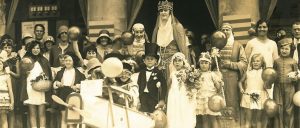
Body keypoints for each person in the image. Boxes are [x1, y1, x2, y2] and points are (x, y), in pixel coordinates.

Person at [216, 29, 247, 124]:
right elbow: (211, 64)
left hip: (233, 78)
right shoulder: (216, 45)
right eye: (223, 29)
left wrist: (230, 64)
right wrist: (213, 55)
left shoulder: (238, 45)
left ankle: (234, 124)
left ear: (232, 32)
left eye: (227, 29)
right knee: (219, 101)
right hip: (219, 77)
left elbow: (244, 63)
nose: (225, 31)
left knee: (232, 100)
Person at [152, 0, 190, 79]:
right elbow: (154, 47)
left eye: (165, 10)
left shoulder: (177, 27)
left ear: (170, 12)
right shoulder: (157, 28)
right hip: (160, 64)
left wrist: (185, 64)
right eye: (161, 11)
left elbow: (183, 48)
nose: (163, 13)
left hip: (174, 63)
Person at [20, 40, 52, 128]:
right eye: (33, 48)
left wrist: (45, 79)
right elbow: (22, 74)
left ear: (40, 49)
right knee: (32, 111)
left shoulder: (44, 60)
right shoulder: (26, 59)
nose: (36, 50)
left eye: (37, 48)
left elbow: (49, 74)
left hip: (41, 88)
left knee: (42, 112)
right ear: (30, 49)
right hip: (30, 88)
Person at [53, 52, 85, 128]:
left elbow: (84, 84)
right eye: (66, 60)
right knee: (64, 117)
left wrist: (78, 86)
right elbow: (55, 81)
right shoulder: (60, 72)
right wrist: (57, 83)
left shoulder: (79, 73)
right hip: (62, 95)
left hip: (73, 97)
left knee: (72, 119)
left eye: (69, 60)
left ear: (73, 61)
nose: (67, 62)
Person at [239, 53, 269, 128]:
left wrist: (267, 84)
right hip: (250, 94)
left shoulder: (264, 73)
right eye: (254, 61)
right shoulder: (248, 72)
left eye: (258, 61)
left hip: (260, 94)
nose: (255, 62)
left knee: (258, 119)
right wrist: (241, 88)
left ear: (262, 63)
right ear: (251, 63)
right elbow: (240, 82)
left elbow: (268, 85)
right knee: (248, 118)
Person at [273, 38, 297, 128]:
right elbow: (273, 73)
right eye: (282, 48)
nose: (284, 50)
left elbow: (296, 76)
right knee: (278, 108)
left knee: (288, 109)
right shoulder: (276, 61)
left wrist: (294, 77)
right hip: (277, 87)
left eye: (286, 49)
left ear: (290, 50)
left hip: (289, 87)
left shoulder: (293, 61)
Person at [167, 52, 196, 128]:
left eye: (179, 60)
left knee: (184, 110)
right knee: (174, 111)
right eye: (175, 61)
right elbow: (168, 84)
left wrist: (186, 78)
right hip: (174, 94)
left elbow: (190, 83)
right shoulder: (172, 73)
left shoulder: (186, 72)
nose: (177, 62)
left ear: (183, 62)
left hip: (183, 94)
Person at [195, 52, 223, 128]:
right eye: (202, 63)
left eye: (206, 63)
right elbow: (196, 86)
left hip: (210, 99)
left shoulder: (212, 74)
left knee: (213, 118)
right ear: (199, 64)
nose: (204, 65)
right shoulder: (197, 74)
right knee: (204, 119)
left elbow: (218, 88)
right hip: (201, 98)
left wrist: (219, 82)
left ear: (209, 64)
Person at [137, 43, 167, 113]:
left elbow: (164, 86)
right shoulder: (142, 72)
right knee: (143, 113)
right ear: (144, 60)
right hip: (143, 96)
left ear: (156, 61)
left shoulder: (158, 72)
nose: (149, 60)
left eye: (152, 59)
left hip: (153, 97)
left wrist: (162, 99)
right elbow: (139, 84)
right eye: (147, 59)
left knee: (153, 114)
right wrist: (138, 97)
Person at [0, 59, 14, 128]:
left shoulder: (6, 76)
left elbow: (10, 90)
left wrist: (12, 102)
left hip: (3, 98)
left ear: (3, 65)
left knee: (4, 118)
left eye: (0, 64)